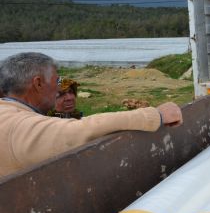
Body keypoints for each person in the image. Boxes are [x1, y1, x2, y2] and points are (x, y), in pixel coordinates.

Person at [0, 52, 183, 178]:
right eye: (56, 81)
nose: (58, 90)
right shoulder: (15, 126)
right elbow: (75, 132)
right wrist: (155, 116)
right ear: (38, 83)